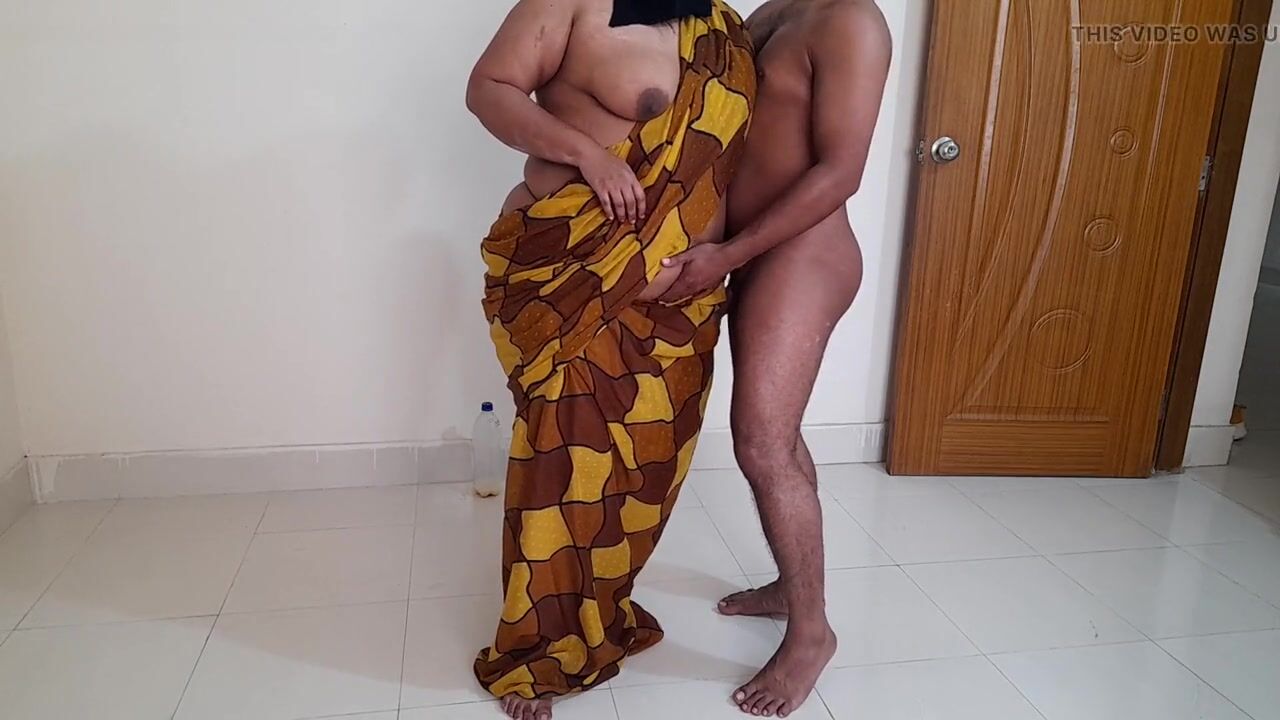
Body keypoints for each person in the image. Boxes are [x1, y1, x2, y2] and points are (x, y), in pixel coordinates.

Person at [464, 1, 756, 718]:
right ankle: (538, 649)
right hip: (575, 283)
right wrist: (586, 154)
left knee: (647, 469)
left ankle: (600, 610)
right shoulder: (570, 5)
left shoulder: (720, 29)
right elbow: (489, 89)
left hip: (681, 303)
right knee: (567, 464)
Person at [657, 0, 891, 716]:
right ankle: (792, 588)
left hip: (802, 255)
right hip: (752, 249)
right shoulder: (774, 11)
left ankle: (812, 634)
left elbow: (841, 172)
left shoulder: (854, 22)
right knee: (776, 437)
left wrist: (729, 253)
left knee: (761, 443)